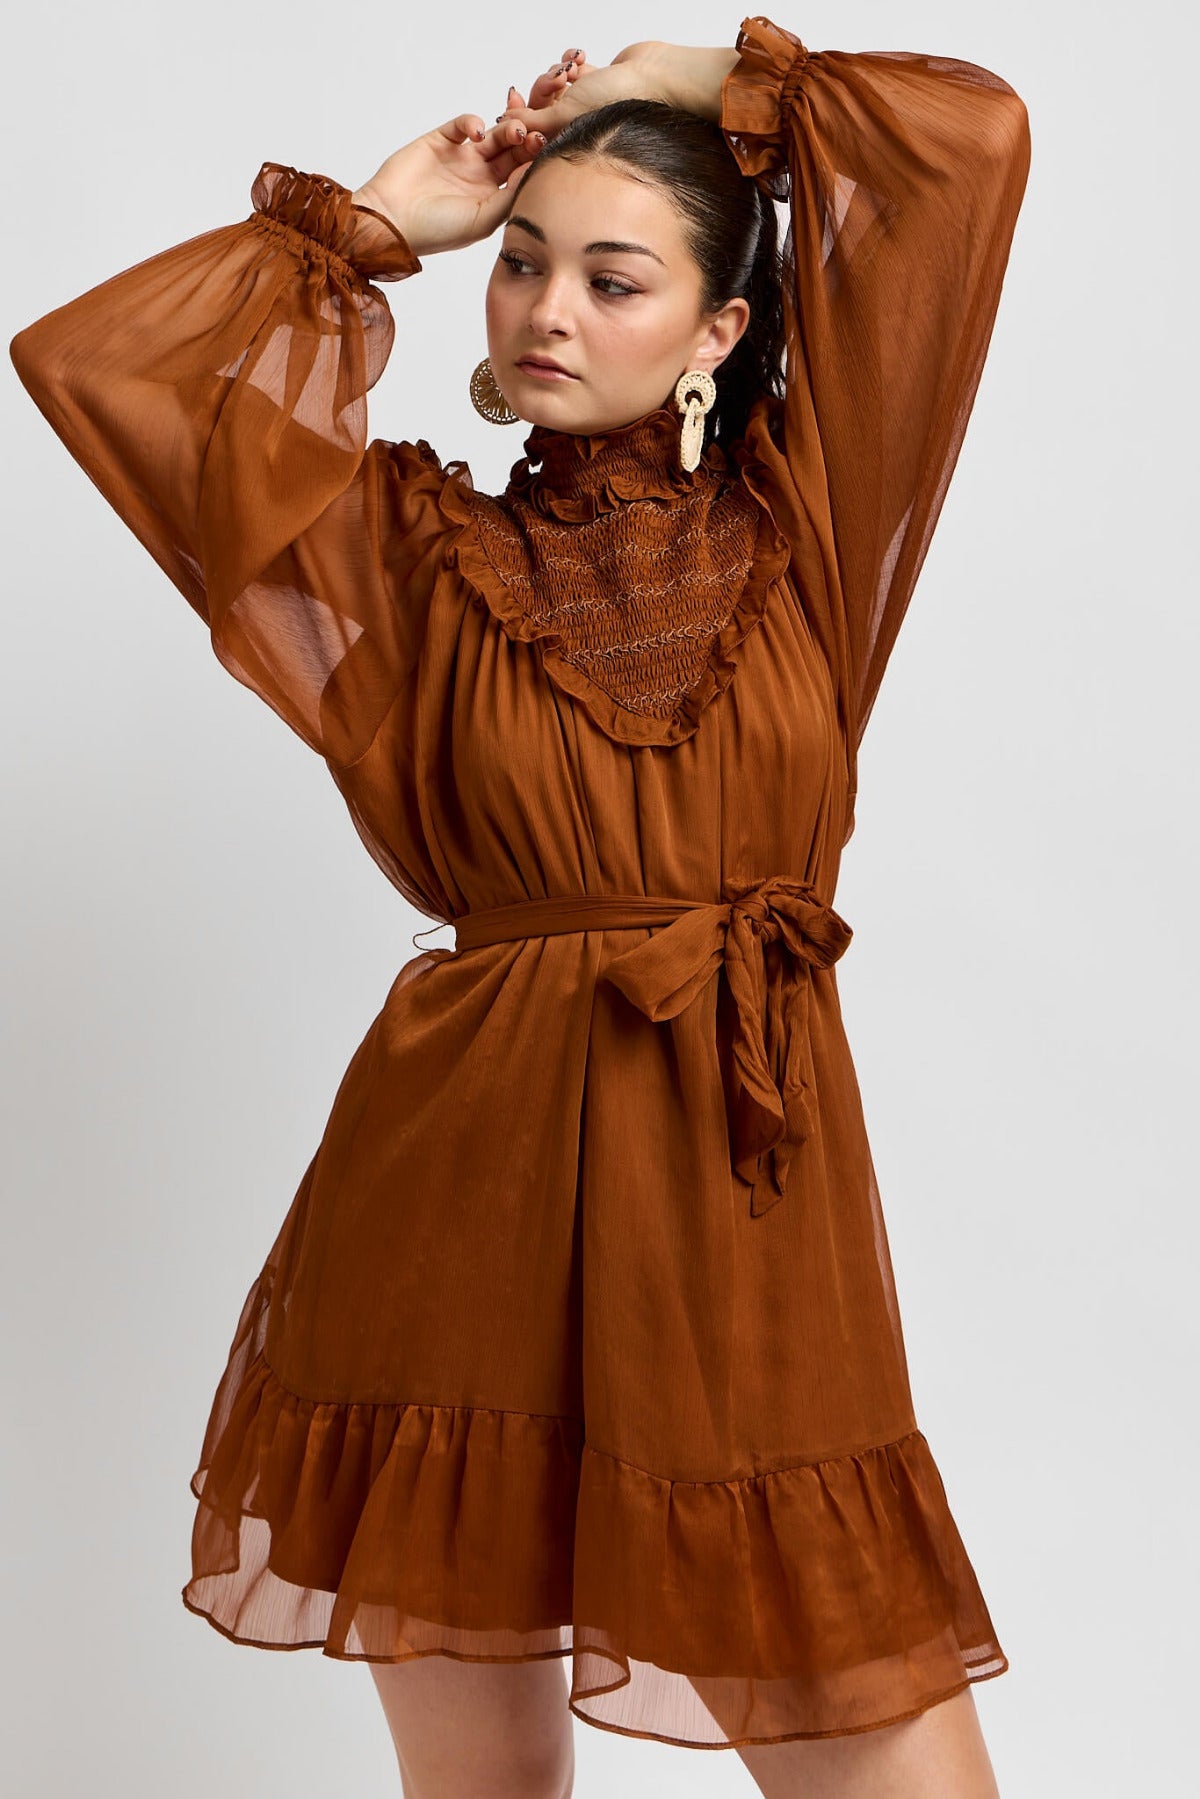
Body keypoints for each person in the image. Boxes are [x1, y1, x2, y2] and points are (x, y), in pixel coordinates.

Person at [9, 15, 1031, 1797]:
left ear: (722, 329)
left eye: (613, 279)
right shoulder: (409, 562)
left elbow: (971, 143)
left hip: (738, 1193)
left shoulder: (812, 510)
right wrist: (381, 230)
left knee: (884, 1752)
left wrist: (689, 78)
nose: (547, 310)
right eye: (527, 267)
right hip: (461, 1194)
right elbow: (117, 375)